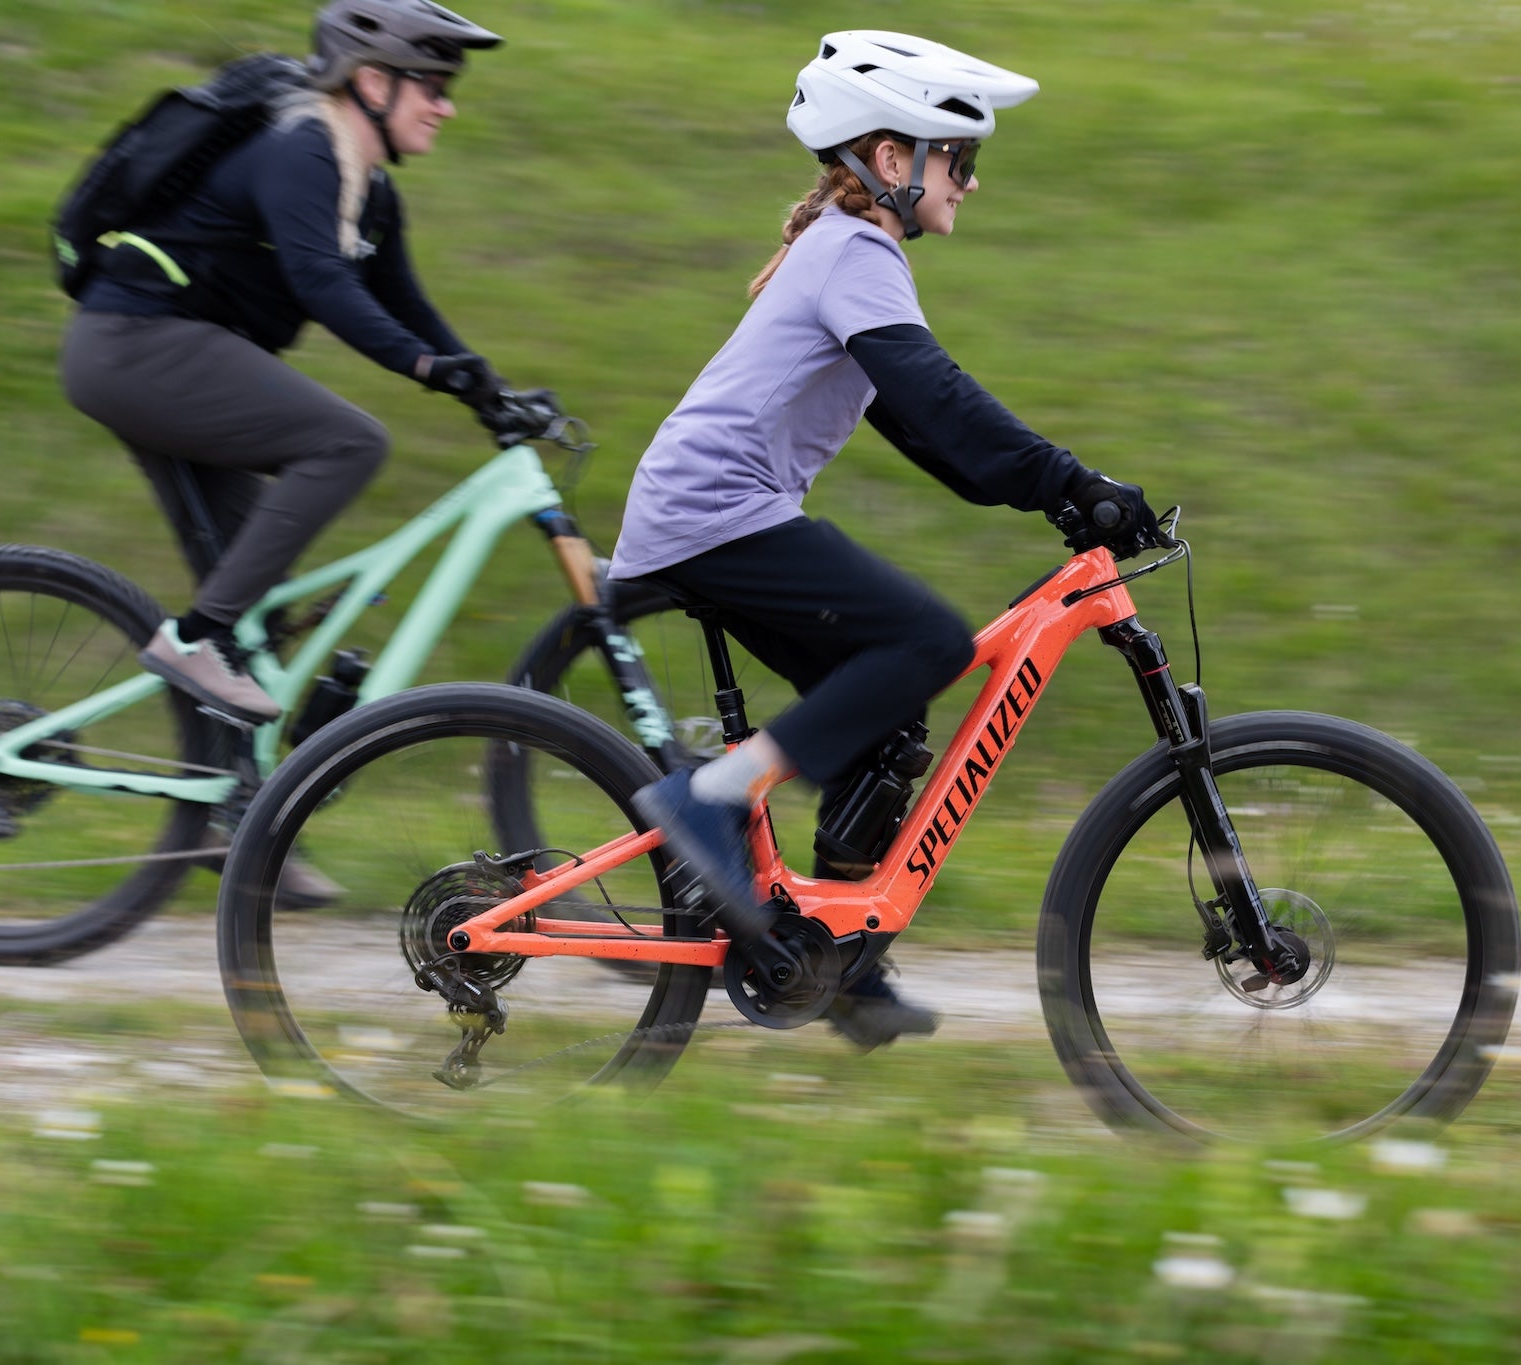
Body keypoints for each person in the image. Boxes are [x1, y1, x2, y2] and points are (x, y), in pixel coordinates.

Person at [615, 31, 1174, 1048]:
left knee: (883, 716)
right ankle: (708, 802)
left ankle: (832, 961)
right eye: (958, 160)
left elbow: (926, 434)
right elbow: (939, 395)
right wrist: (1067, 478)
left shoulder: (844, 251)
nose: (968, 183)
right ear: (891, 160)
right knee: (925, 642)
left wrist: (1049, 501)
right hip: (714, 514)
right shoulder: (856, 253)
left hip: (713, 512)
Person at [59, 0, 510, 726]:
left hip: (165, 359)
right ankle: (193, 641)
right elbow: (323, 285)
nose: (445, 107)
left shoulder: (370, 189)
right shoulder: (300, 147)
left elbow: (404, 302)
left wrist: (487, 387)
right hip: (135, 347)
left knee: (259, 609)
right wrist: (429, 369)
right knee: (349, 441)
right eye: (432, 85)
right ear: (371, 83)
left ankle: (241, 818)